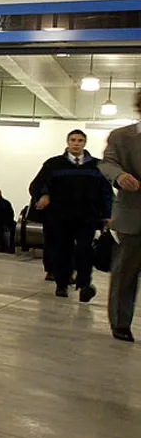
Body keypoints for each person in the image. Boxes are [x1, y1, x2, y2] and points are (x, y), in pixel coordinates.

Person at [30, 129, 112, 301]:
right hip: (60, 218)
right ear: (68, 142)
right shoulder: (53, 164)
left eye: (80, 140)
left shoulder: (96, 166)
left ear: (84, 143)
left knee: (85, 250)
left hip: (86, 217)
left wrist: (108, 214)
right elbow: (37, 184)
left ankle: (84, 285)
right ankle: (62, 284)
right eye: (73, 140)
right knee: (63, 250)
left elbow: (106, 191)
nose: (76, 143)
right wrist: (44, 195)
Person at [99, 94, 141, 342]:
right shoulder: (121, 136)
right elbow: (107, 163)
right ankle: (120, 322)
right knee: (125, 273)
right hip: (133, 215)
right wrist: (119, 176)